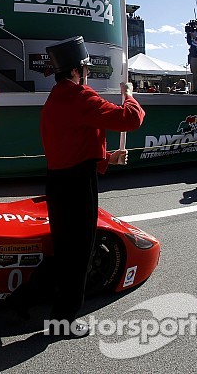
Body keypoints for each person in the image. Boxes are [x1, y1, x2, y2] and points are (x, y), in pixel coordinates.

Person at [40, 36, 145, 337]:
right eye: (84, 68)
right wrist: (131, 96)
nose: (85, 73)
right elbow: (129, 119)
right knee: (80, 254)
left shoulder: (55, 98)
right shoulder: (79, 96)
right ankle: (63, 321)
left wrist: (107, 157)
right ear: (76, 71)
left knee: (65, 250)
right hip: (78, 184)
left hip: (59, 181)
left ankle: (26, 299)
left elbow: (72, 142)